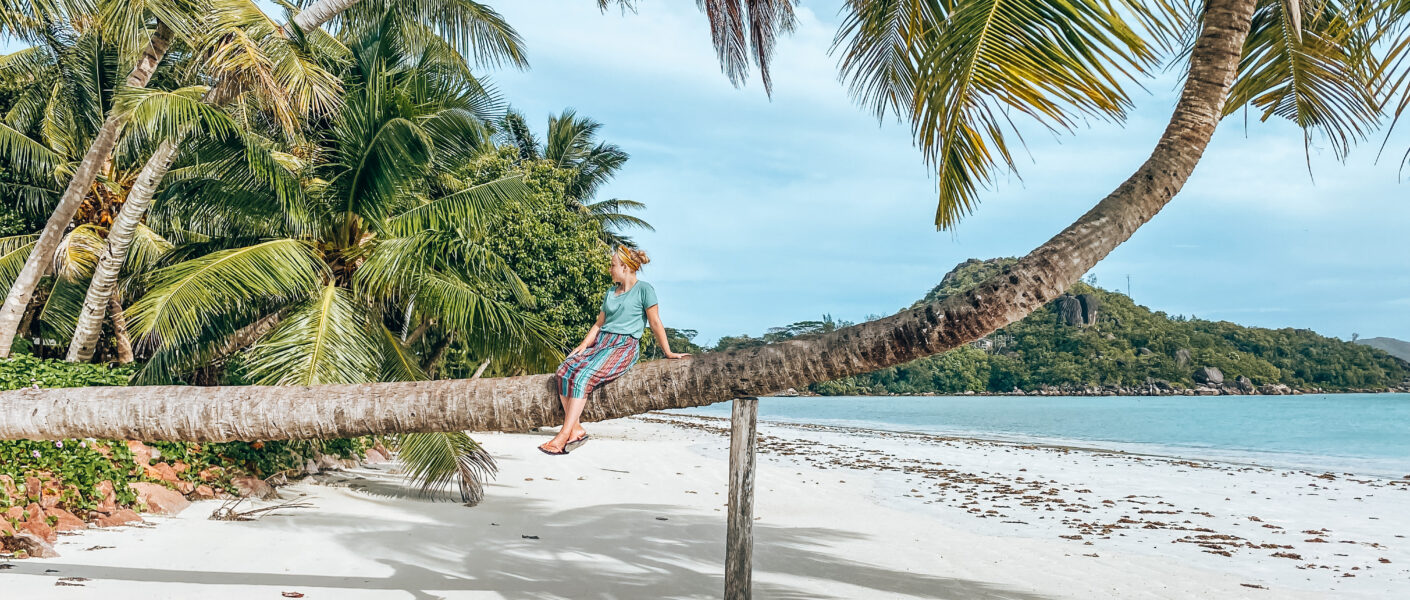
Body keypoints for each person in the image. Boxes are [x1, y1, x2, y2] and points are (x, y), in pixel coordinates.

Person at [540, 246, 690, 455]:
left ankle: (563, 435)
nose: (609, 269)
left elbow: (655, 323)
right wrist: (583, 345)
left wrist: (668, 352)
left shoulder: (645, 290)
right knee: (564, 370)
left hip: (623, 346)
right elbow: (599, 324)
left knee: (583, 376)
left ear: (626, 267)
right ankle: (576, 429)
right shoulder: (611, 292)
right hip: (601, 343)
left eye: (612, 265)